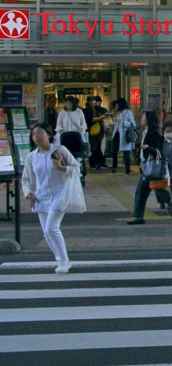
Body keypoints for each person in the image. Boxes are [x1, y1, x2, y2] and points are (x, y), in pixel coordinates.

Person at [21, 123, 78, 274]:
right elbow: (26, 178)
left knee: (51, 228)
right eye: (34, 134)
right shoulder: (32, 157)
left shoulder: (60, 150)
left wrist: (63, 168)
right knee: (47, 233)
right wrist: (29, 193)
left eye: (40, 133)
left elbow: (76, 168)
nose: (37, 136)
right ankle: (60, 260)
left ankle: (64, 261)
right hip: (41, 196)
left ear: (48, 134)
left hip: (60, 194)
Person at [127, 110, 164, 225]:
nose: (141, 119)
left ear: (148, 119)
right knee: (159, 193)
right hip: (147, 168)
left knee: (142, 192)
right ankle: (138, 217)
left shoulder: (153, 133)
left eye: (143, 117)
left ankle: (138, 217)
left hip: (152, 168)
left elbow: (159, 150)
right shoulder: (145, 132)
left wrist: (148, 148)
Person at [56, 96, 88, 181]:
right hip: (65, 138)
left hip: (77, 138)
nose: (67, 105)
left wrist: (82, 128)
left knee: (78, 156)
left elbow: (84, 124)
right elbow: (58, 125)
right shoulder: (62, 113)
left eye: (69, 103)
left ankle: (80, 174)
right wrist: (60, 130)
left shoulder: (79, 112)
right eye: (66, 103)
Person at [110, 98, 136, 174]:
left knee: (126, 153)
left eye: (117, 104)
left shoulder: (128, 112)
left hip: (125, 135)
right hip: (117, 134)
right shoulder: (118, 113)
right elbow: (116, 125)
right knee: (113, 150)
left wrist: (124, 122)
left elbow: (133, 124)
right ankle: (114, 166)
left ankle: (127, 170)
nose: (116, 106)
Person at [88, 96, 108, 169]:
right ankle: (96, 163)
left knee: (98, 147)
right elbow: (91, 120)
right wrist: (100, 118)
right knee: (95, 147)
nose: (95, 103)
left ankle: (98, 162)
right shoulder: (89, 110)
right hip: (94, 131)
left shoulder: (99, 109)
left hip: (99, 131)